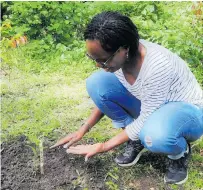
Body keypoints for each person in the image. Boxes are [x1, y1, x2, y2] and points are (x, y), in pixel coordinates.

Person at [50, 11, 203, 184]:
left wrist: (104, 146)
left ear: (124, 49)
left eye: (103, 60)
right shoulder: (121, 63)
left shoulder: (157, 66)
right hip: (154, 106)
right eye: (93, 59)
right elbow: (105, 97)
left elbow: (146, 116)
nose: (98, 65)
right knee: (97, 82)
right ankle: (135, 136)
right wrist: (83, 129)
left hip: (187, 113)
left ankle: (178, 153)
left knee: (155, 136)